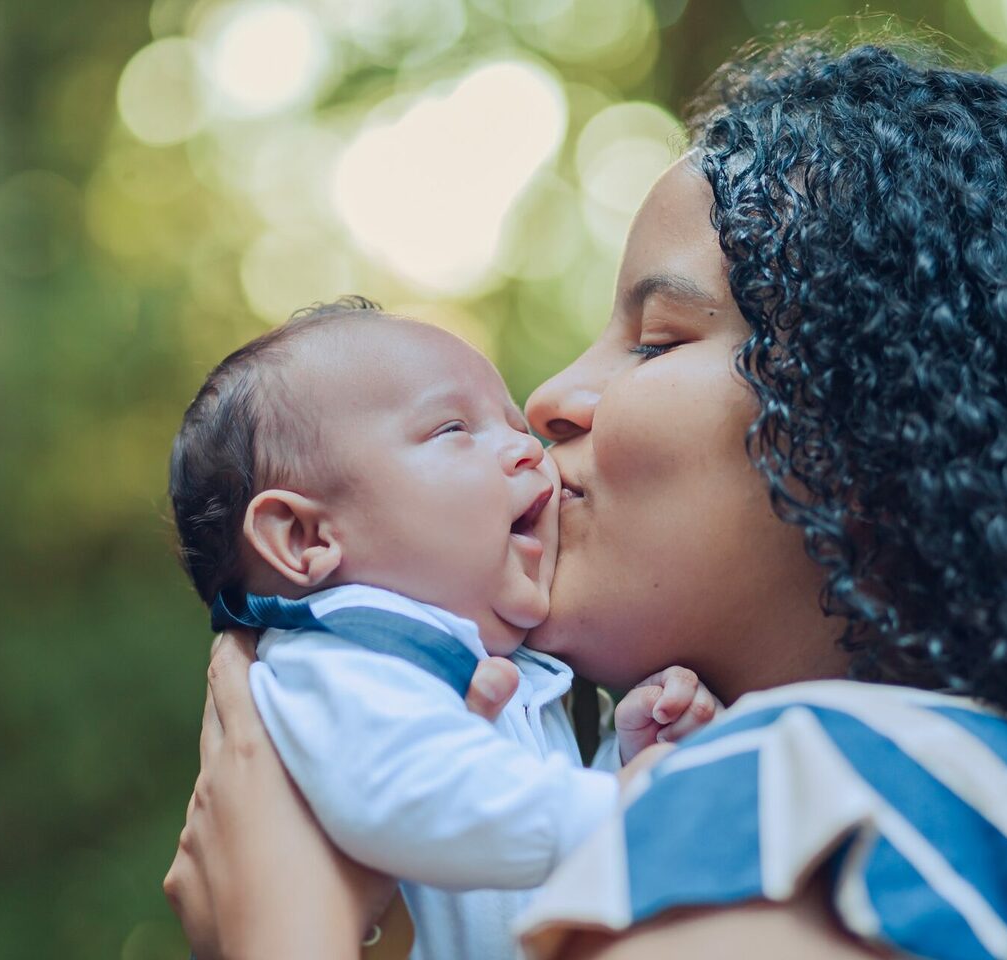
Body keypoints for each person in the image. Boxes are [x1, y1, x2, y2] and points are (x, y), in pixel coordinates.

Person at [164, 35, 1007, 960]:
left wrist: (279, 923)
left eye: (659, 340)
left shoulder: (802, 800)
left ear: (893, 435)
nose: (549, 400)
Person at [166, 301, 717, 960]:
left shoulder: (474, 663)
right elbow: (414, 796)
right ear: (306, 537)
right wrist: (623, 807)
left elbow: (518, 836)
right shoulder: (338, 658)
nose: (527, 450)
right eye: (454, 427)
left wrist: (625, 756)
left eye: (514, 426)